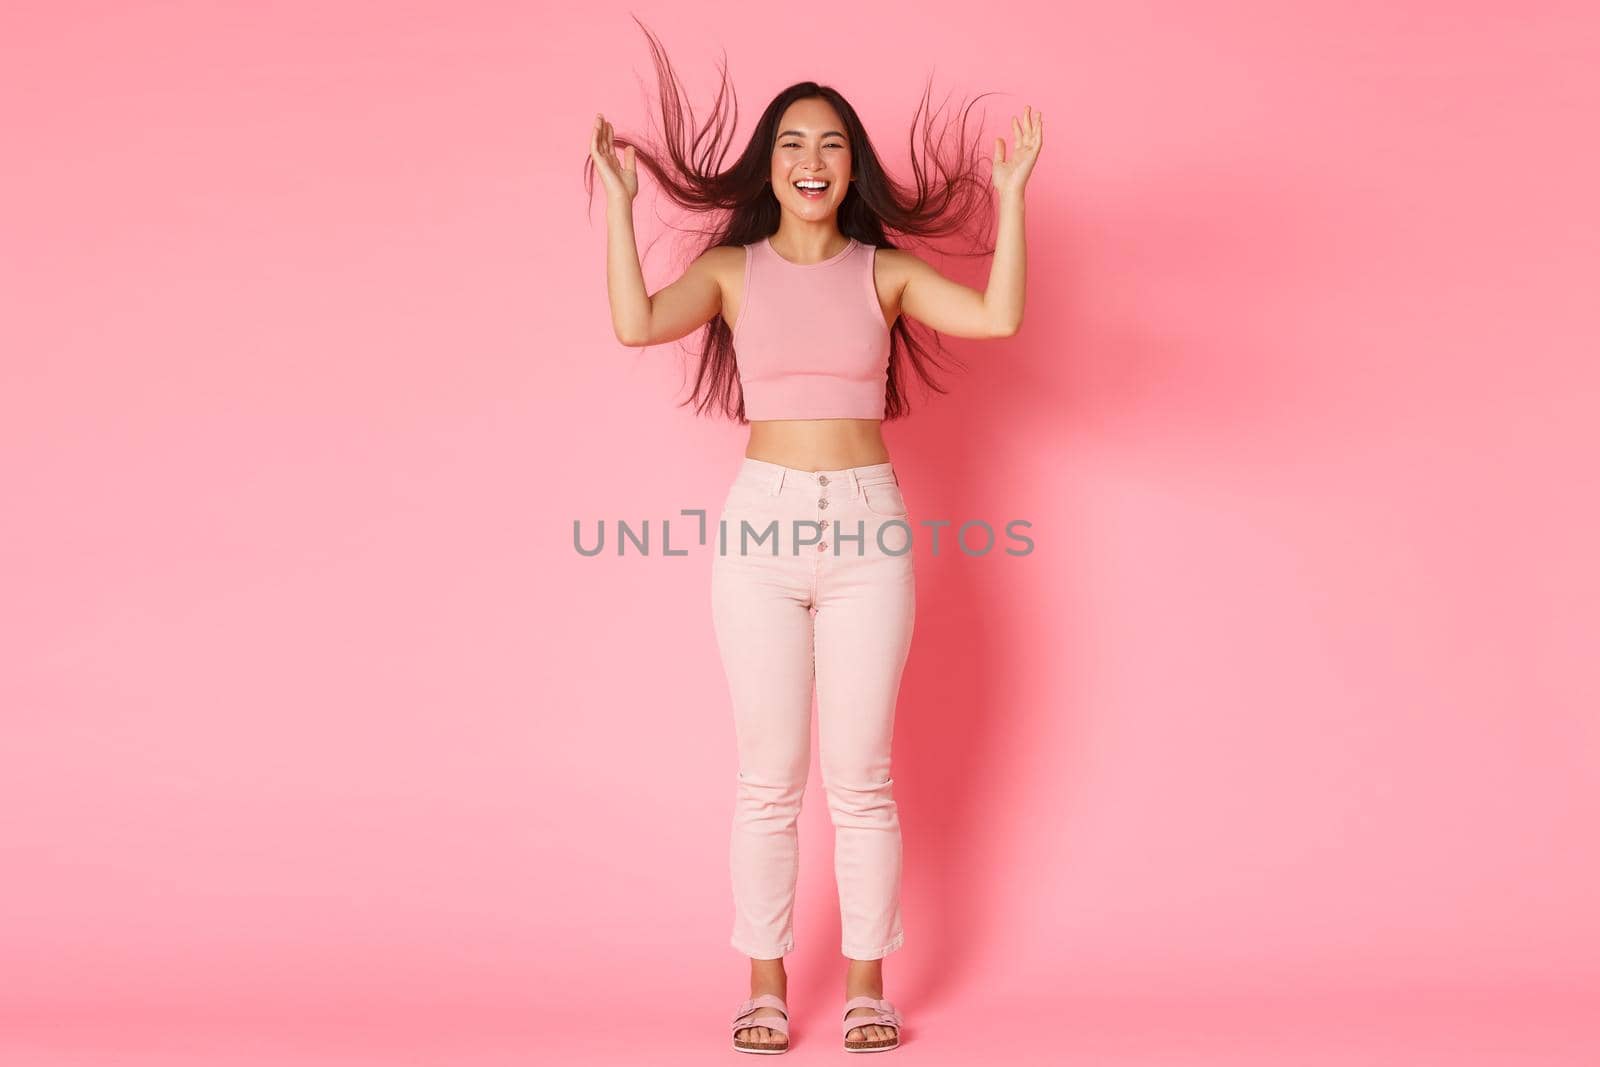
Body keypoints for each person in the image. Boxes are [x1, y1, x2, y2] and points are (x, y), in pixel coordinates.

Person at [585, 24, 1042, 1055]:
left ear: (852, 166)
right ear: (770, 162)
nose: (811, 161)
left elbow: (999, 316)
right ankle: (764, 983)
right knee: (768, 773)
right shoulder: (732, 270)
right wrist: (616, 208)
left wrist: (1011, 198)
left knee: (862, 774)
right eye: (794, 143)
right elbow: (634, 320)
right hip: (761, 526)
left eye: (831, 144)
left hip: (868, 529)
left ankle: (869, 988)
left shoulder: (883, 272)